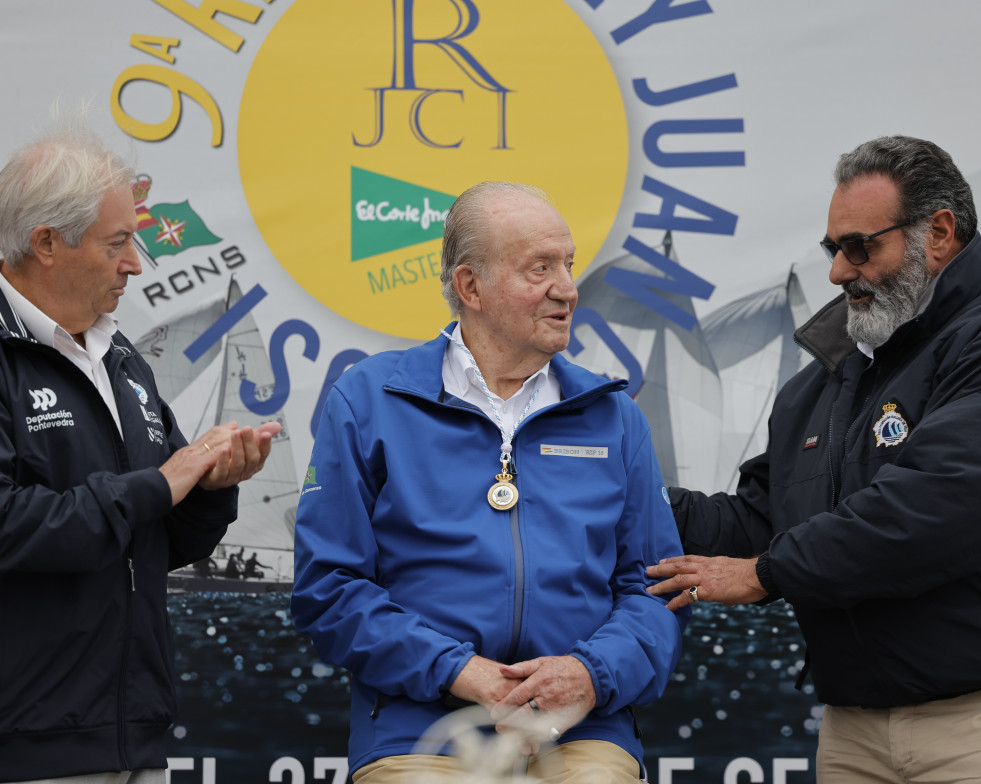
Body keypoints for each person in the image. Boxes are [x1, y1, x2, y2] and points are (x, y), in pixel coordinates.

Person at [292, 182, 687, 783]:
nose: (568, 288)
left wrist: (587, 675)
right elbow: (330, 587)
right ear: (471, 286)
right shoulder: (367, 400)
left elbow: (656, 591)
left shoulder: (615, 417)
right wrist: (461, 672)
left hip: (583, 730)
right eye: (540, 268)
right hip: (421, 729)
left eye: (569, 265)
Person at [647, 136, 981, 782]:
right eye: (833, 250)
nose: (836, 272)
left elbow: (934, 505)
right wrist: (636, 499)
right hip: (849, 733)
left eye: (860, 247)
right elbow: (759, 519)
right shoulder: (819, 385)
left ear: (938, 234)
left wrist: (765, 574)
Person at [0, 118, 282, 783]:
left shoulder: (121, 358)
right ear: (45, 242)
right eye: (119, 243)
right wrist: (159, 485)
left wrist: (211, 489)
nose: (134, 263)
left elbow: (157, 541)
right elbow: (9, 528)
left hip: (135, 738)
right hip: (27, 748)